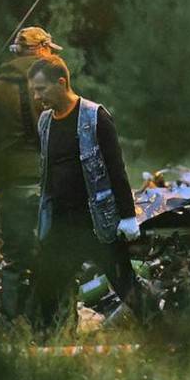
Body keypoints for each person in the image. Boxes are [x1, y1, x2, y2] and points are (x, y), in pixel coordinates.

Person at [27, 55, 147, 329]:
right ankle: (52, 344)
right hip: (61, 223)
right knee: (48, 287)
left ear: (61, 83)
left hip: (96, 222)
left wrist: (128, 216)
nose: (36, 96)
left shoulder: (95, 117)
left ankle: (165, 335)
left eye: (41, 89)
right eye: (33, 90)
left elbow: (117, 169)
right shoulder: (45, 122)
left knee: (125, 283)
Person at [0, 26, 61, 319]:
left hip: (11, 184)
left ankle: (13, 324)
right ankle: (59, 324)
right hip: (49, 181)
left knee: (14, 258)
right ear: (42, 50)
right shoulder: (54, 85)